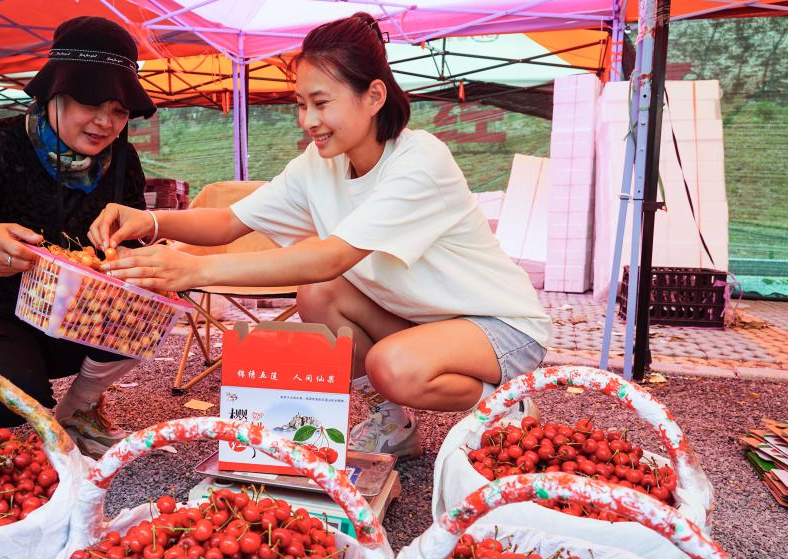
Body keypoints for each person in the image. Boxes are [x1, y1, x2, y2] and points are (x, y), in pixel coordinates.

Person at [92, 13, 552, 458]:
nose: (307, 120)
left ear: (373, 96)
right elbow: (230, 221)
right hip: (423, 322)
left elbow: (331, 256)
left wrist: (193, 268)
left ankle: (504, 401)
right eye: (300, 104)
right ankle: (394, 424)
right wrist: (151, 222)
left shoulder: (419, 160)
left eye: (321, 102)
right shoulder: (320, 163)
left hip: (498, 326)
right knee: (317, 295)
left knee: (391, 365)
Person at [0, 16, 156, 454]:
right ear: (54, 92)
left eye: (120, 111)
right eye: (91, 104)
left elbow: (132, 240)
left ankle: (79, 409)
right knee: (10, 400)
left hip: (66, 314)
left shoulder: (122, 159)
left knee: (148, 303)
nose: (106, 122)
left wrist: (143, 260)